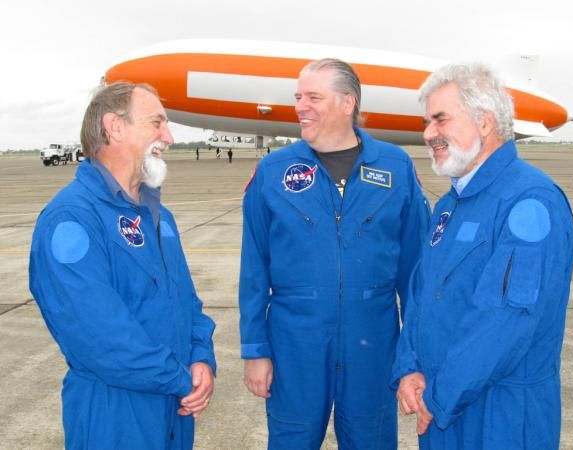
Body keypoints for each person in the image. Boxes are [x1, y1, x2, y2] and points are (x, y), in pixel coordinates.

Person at [239, 58, 430, 449]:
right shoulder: (274, 170)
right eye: (298, 97)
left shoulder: (395, 167)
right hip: (295, 346)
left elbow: (416, 273)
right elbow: (254, 268)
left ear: (347, 103)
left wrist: (415, 354)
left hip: (374, 346)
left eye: (313, 97)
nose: (300, 106)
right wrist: (255, 350)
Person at [392, 63, 573, 449]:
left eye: (440, 120)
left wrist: (439, 397)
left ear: (484, 122)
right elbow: (421, 292)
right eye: (427, 122)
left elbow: (504, 323)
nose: (428, 134)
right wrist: (408, 368)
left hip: (501, 417)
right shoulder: (449, 205)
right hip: (442, 407)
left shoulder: (530, 202)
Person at [29, 82, 217, 450]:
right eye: (156, 123)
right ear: (115, 128)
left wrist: (202, 359)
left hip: (174, 405)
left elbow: (188, 303)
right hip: (114, 412)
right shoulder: (71, 219)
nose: (169, 136)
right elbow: (99, 336)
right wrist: (181, 379)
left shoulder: (159, 218)